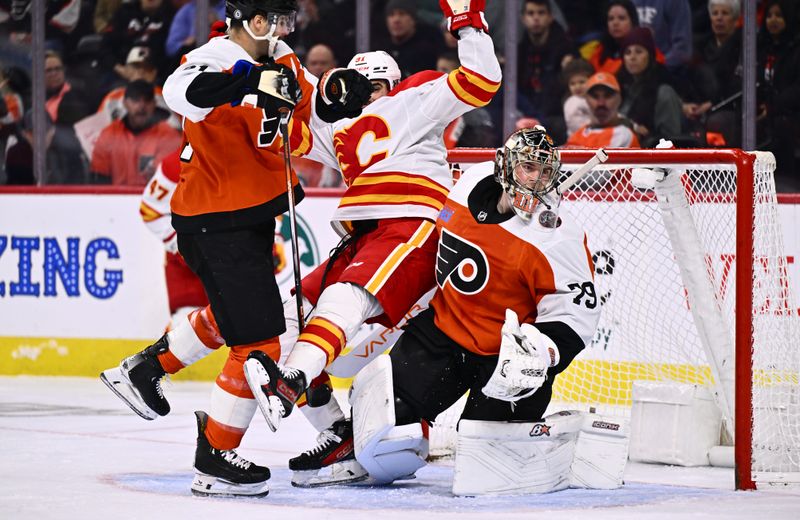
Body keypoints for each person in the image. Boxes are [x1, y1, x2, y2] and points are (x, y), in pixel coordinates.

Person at [99, 0, 371, 497]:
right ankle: (215, 457)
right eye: (278, 19)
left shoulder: (284, 55)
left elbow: (314, 107)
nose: (286, 29)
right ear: (253, 20)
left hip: (248, 215)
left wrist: (339, 91)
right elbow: (179, 92)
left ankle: (144, 371)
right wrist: (249, 80)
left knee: (238, 318)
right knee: (262, 340)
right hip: (212, 219)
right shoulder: (215, 56)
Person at [242, 0, 501, 488]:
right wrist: (269, 80)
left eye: (374, 86)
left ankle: (291, 381)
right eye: (354, 87)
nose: (364, 95)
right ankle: (338, 431)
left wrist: (467, 23)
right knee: (286, 315)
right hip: (365, 237)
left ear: (393, 84)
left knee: (343, 299)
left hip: (414, 225)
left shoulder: (417, 97)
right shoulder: (341, 127)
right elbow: (287, 135)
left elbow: (482, 79)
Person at [347, 126, 605, 493]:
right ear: (504, 167)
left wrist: (544, 352)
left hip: (505, 361)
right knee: (383, 422)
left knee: (482, 472)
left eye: (546, 172)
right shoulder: (469, 182)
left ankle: (545, 448)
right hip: (442, 333)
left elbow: (576, 313)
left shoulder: (558, 237)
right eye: (529, 168)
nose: (537, 181)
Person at [139, 149, 210, 328]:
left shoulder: (244, 150)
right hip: (192, 271)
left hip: (239, 260)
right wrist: (187, 249)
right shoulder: (175, 163)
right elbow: (150, 211)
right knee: (186, 329)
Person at [90, 80, 181, 186]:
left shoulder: (169, 135)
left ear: (154, 103)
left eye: (147, 100)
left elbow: (167, 181)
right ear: (125, 103)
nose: (142, 106)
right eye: (135, 100)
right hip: (114, 199)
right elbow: (99, 177)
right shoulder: (109, 133)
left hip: (151, 199)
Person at [517, 0, 577, 144]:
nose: (536, 18)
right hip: (526, 117)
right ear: (523, 19)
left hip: (557, 120)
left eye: (541, 13)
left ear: (551, 17)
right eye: (531, 13)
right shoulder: (518, 51)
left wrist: (540, 120)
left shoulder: (566, 49)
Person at [616, 27, 683, 147]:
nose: (632, 57)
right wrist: (632, 126)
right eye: (627, 52)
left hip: (650, 155)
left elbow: (670, 139)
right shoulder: (617, 83)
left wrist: (645, 135)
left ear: (650, 55)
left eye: (639, 51)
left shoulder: (664, 90)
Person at [567, 71, 640, 148]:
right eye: (595, 96)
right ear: (586, 100)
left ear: (619, 99)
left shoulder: (624, 135)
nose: (601, 103)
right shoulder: (578, 135)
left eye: (607, 96)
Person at [376, 0, 446, 76]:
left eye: (402, 14)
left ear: (413, 20)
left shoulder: (427, 51)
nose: (396, 20)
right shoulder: (381, 51)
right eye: (391, 15)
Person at [561, 57, 595, 136]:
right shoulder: (572, 103)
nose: (577, 87)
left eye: (582, 82)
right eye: (572, 84)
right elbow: (578, 127)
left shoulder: (594, 98)